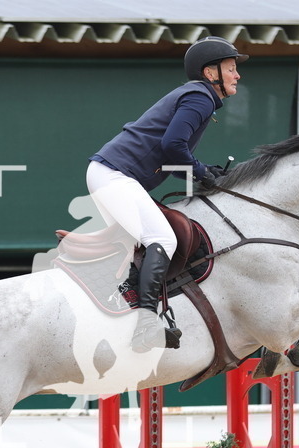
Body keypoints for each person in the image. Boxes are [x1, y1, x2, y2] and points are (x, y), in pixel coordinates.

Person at [87, 36, 247, 352]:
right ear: (210, 72)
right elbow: (173, 147)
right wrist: (200, 171)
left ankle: (124, 308)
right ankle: (147, 324)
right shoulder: (200, 96)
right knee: (163, 239)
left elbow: (172, 158)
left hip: (109, 174)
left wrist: (204, 173)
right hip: (114, 175)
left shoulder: (198, 97)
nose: (237, 75)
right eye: (231, 68)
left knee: (139, 248)